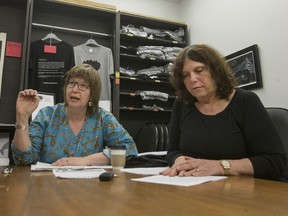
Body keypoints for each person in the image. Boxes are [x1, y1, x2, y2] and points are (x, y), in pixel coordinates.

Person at [160, 44, 287, 181]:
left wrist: (220, 166)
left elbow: (276, 162)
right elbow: (173, 151)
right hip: (191, 186)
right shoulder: (181, 104)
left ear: (216, 71)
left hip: (242, 191)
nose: (192, 79)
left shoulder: (246, 101)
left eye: (199, 70)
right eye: (185, 75)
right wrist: (178, 160)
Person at [12, 64, 138, 166]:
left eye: (83, 86)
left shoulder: (103, 118)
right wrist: (22, 117)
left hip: (89, 190)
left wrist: (84, 161)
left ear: (92, 94)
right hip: (48, 187)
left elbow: (130, 150)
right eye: (71, 83)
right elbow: (23, 159)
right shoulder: (47, 115)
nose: (74, 89)